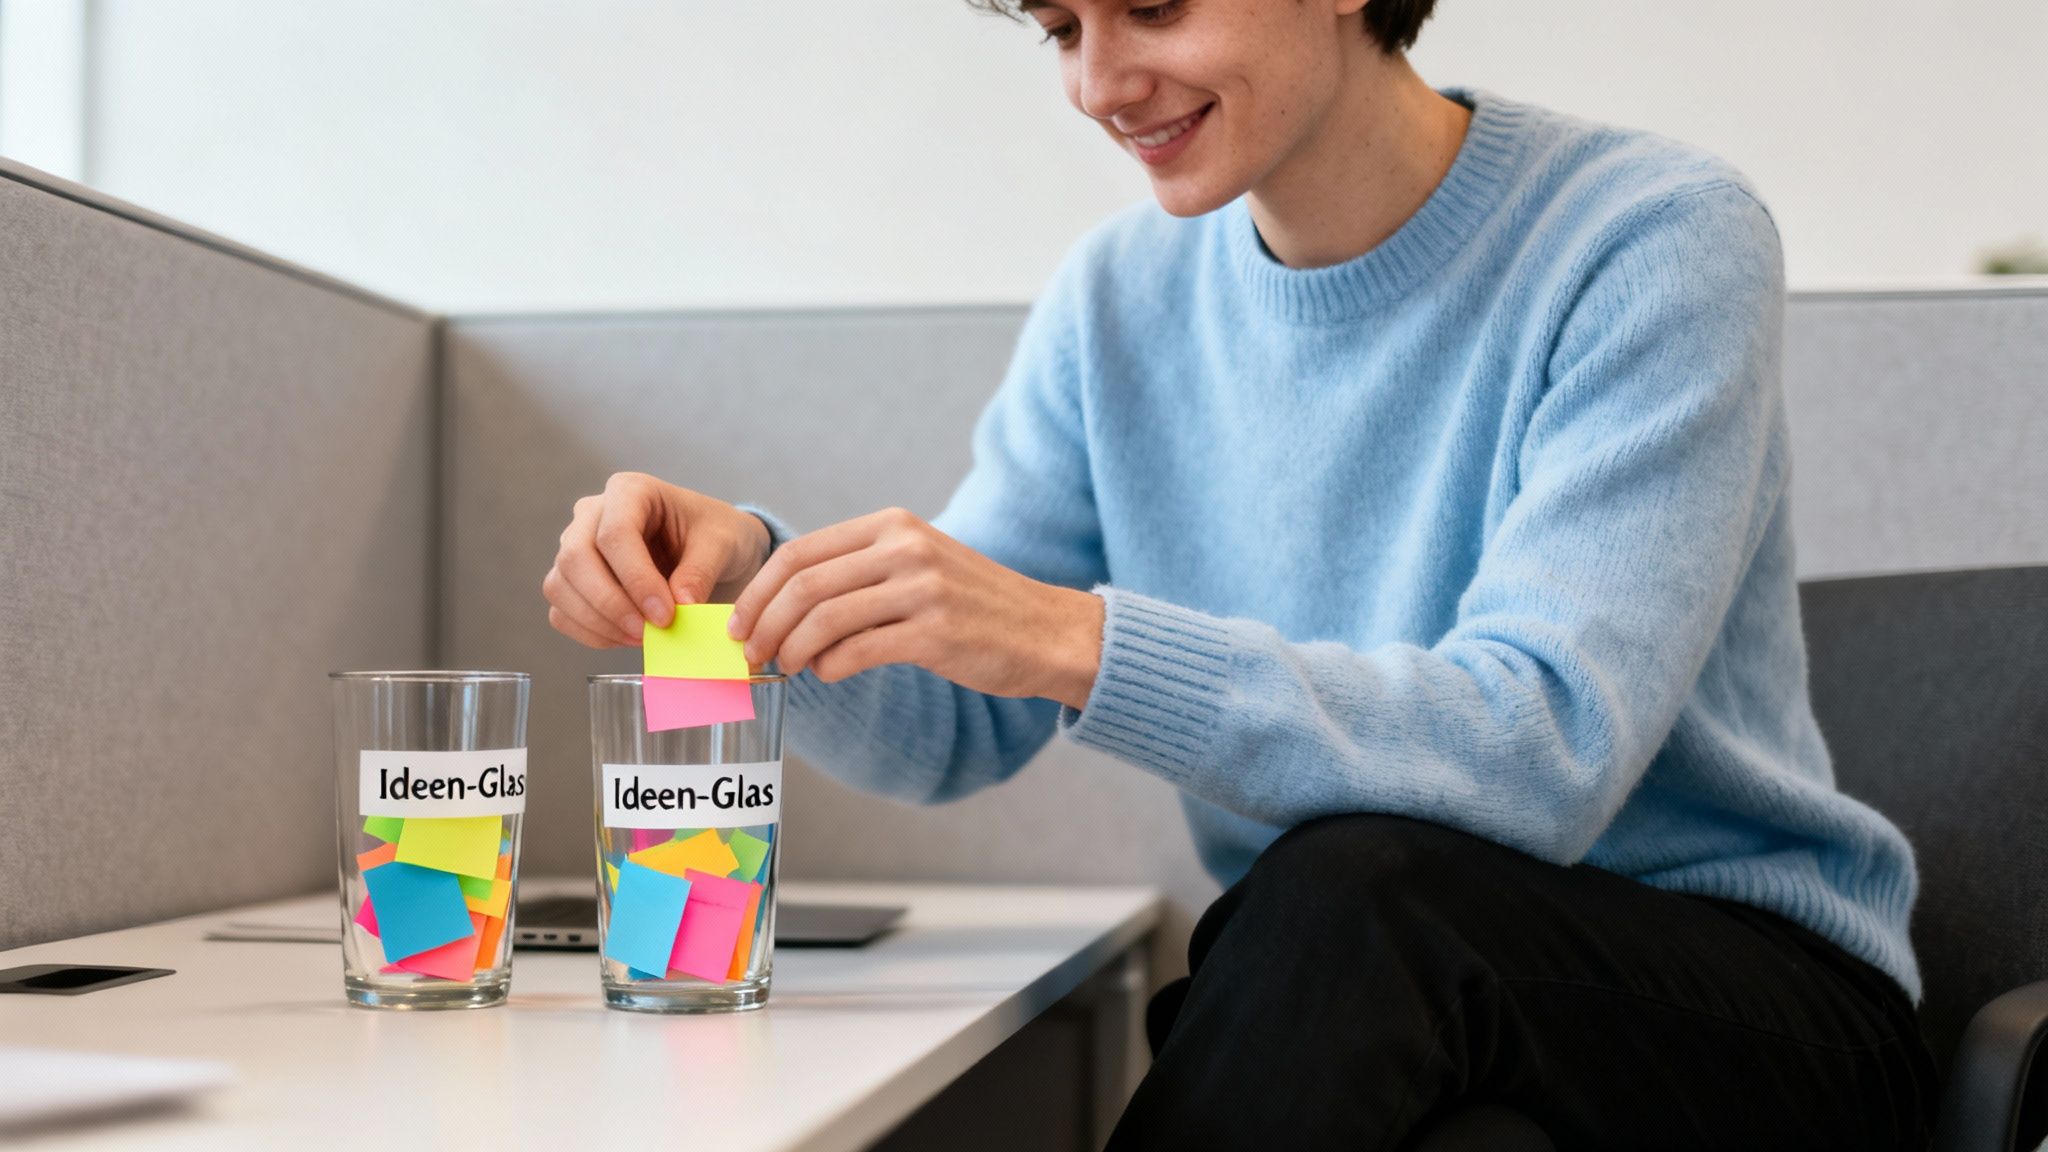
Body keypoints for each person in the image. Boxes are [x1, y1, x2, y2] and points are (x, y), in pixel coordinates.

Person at [541, 0, 1938, 1145]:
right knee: (1346, 929)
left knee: (1352, 889)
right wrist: (754, 589)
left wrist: (1078, 643)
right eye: (1059, 27)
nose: (1099, 82)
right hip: (1376, 990)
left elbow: (1542, 750)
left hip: (1745, 1002)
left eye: (1150, 7)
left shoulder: (1651, 238)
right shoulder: (1118, 307)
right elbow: (950, 726)